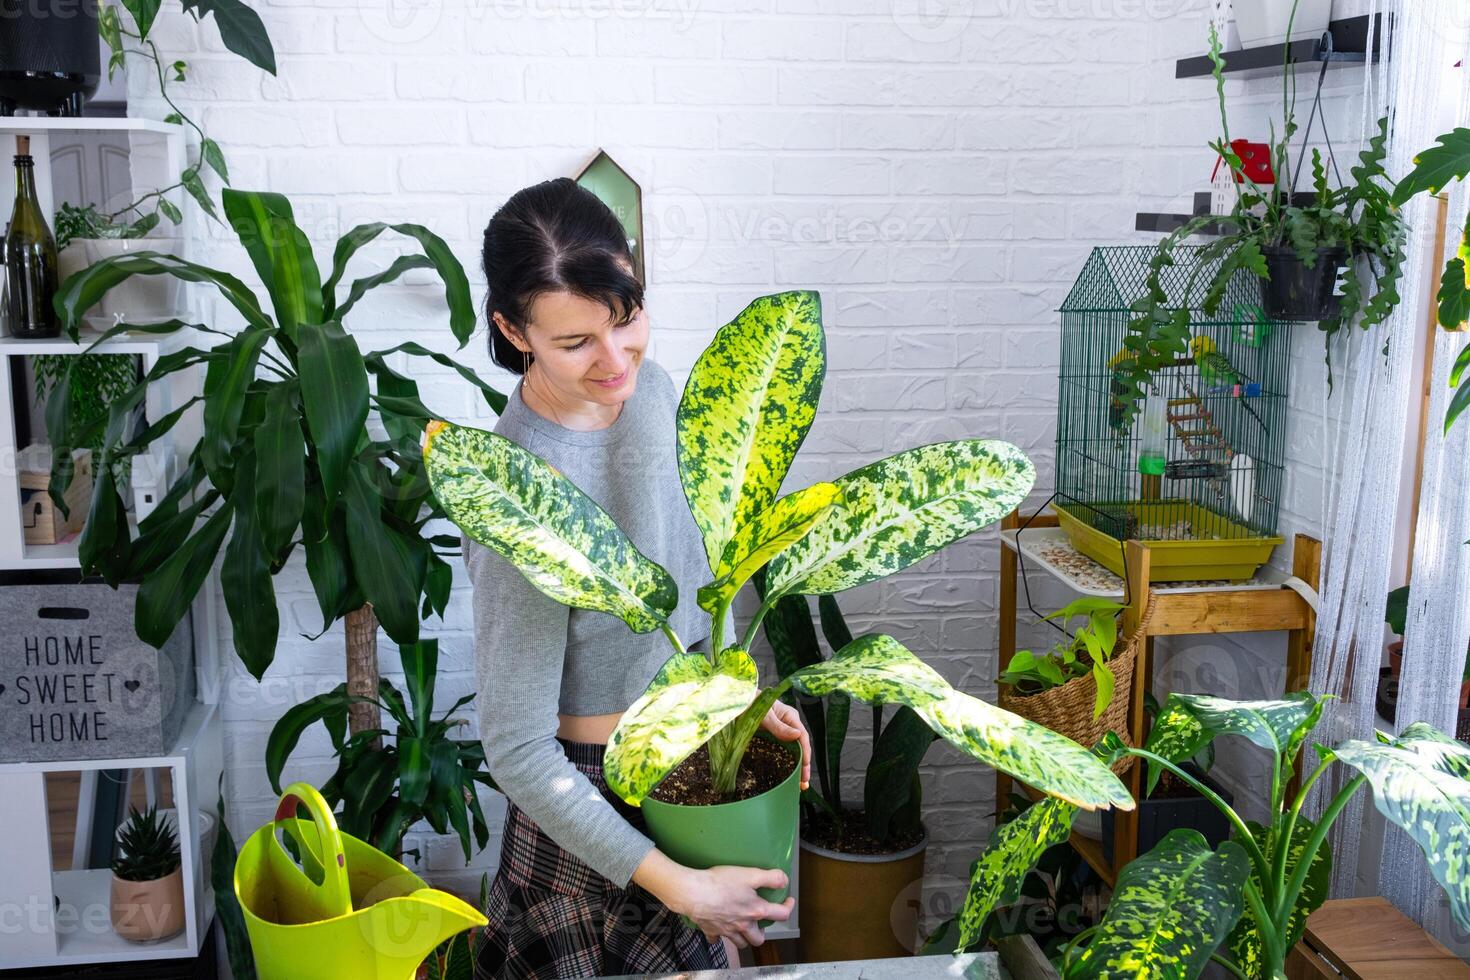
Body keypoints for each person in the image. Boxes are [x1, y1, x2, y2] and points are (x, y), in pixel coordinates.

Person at [467, 177, 812, 979]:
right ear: (513, 330)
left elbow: (703, 586)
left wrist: (738, 704)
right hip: (588, 816)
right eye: (575, 343)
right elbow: (518, 749)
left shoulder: (654, 394)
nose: (614, 360)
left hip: (693, 767)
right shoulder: (518, 486)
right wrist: (680, 886)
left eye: (625, 322)